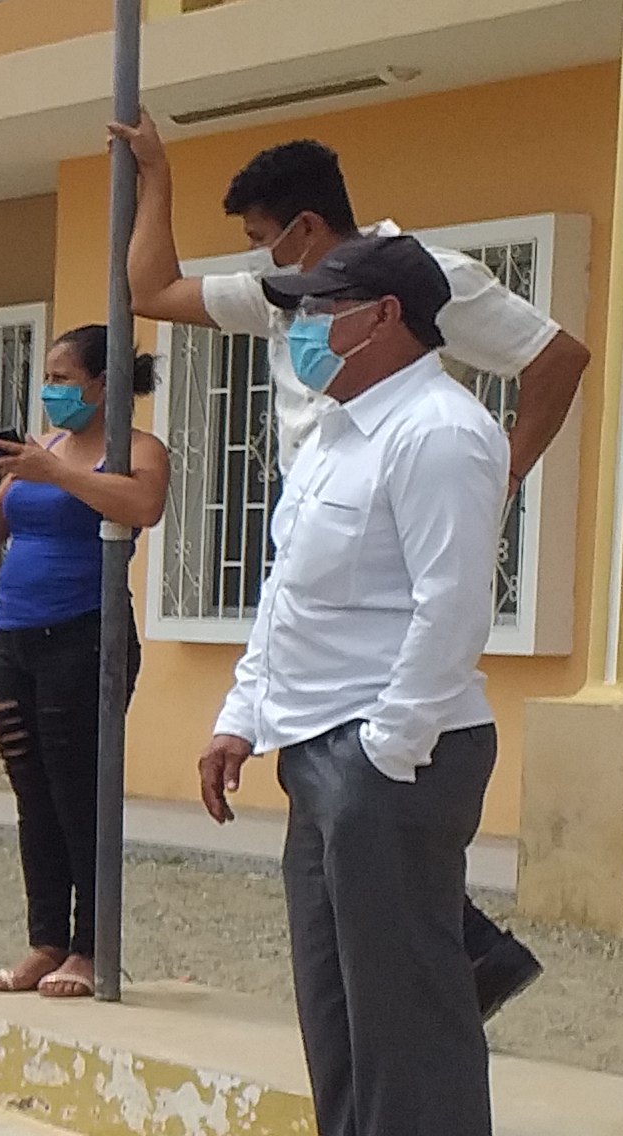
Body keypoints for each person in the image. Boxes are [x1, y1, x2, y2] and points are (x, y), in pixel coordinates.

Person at [103, 121, 586, 1018]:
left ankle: (453, 978)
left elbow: (556, 356)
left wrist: (509, 471)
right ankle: (459, 970)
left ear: (307, 228)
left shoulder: (429, 279)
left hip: (391, 552)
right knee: (342, 929)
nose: (266, 267)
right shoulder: (285, 294)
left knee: (381, 870)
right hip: (320, 534)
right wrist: (156, 175)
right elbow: (152, 291)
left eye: (263, 238)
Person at [198, 231, 510, 1136]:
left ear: (383, 317)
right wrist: (242, 717)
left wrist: (387, 747)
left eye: (317, 309)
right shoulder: (336, 433)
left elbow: (452, 606)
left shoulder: (441, 433)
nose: (299, 328)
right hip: (316, 740)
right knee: (335, 990)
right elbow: (288, 594)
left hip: (396, 748)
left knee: (407, 998)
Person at [0, 325, 171, 998]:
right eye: (47, 378)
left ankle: (91, 948)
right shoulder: (38, 451)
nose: (51, 391)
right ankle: (45, 941)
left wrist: (59, 475)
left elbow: (143, 506)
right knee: (32, 791)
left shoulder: (138, 450)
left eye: (64, 379)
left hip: (86, 636)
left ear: (102, 385)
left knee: (80, 792)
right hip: (15, 638)